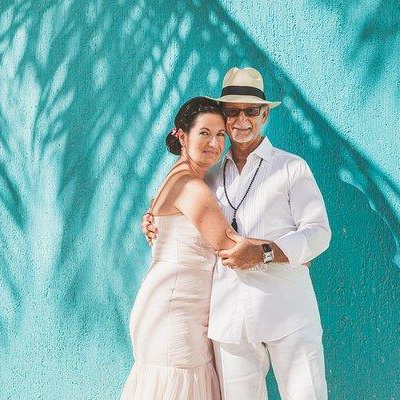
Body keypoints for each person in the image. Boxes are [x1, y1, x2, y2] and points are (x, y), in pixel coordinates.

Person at [142, 67, 331, 399]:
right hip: (230, 322)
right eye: (232, 111)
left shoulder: (291, 167)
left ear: (265, 115)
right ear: (224, 117)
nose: (242, 119)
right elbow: (182, 205)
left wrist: (268, 252)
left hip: (287, 312)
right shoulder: (210, 174)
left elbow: (318, 234)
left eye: (251, 110)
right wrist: (152, 214)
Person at [121, 97, 232, 400]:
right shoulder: (192, 186)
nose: (214, 142)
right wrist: (283, 250)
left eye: (221, 134)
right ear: (182, 136)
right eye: (204, 133)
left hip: (169, 310)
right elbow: (230, 246)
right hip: (175, 317)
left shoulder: (177, 175)